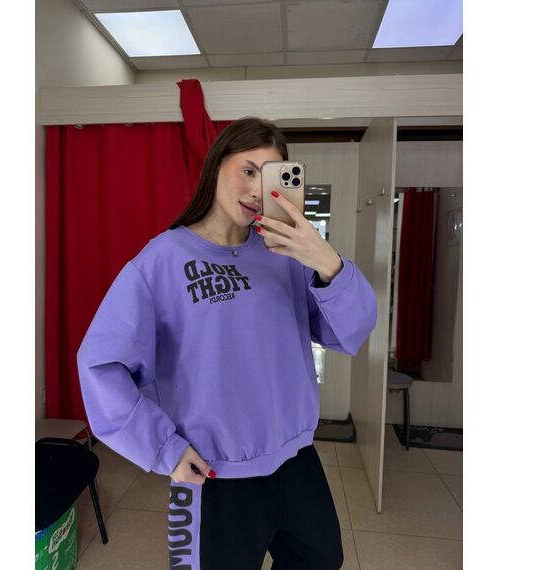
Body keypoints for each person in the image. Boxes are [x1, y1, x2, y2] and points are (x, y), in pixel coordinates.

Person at [77, 117, 377, 570]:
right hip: (213, 471)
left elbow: (350, 329)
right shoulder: (162, 261)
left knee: (321, 561)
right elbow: (101, 364)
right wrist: (163, 449)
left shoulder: (287, 257)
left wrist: (326, 261)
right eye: (248, 170)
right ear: (216, 165)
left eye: (271, 176)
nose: (257, 189)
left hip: (295, 460)